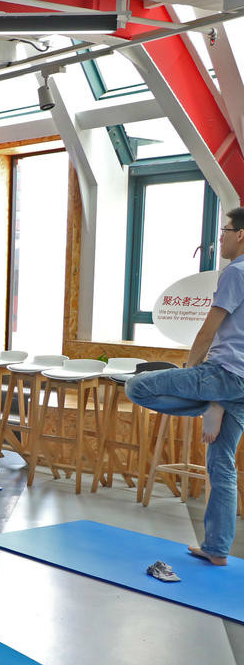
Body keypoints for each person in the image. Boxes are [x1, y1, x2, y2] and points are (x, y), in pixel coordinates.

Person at [126, 207, 244, 566]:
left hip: (222, 373)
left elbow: (209, 327)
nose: (220, 237)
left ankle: (211, 403)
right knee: (221, 464)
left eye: (225, 230)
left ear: (241, 234)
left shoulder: (236, 272)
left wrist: (193, 371)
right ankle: (217, 550)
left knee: (136, 387)